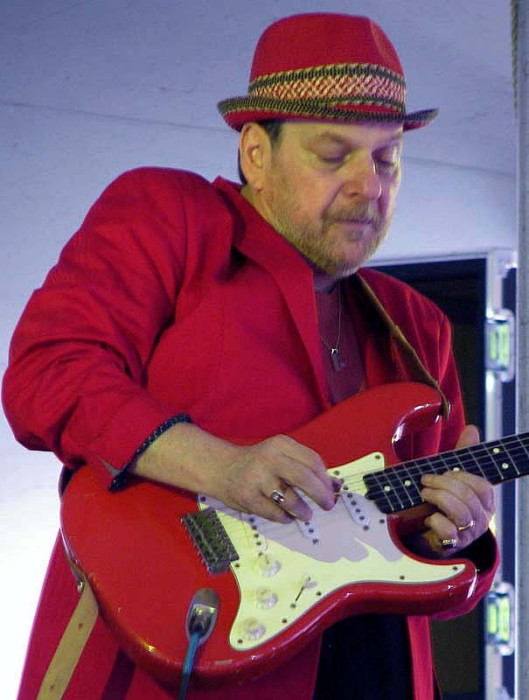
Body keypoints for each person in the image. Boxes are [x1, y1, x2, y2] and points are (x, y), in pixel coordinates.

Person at [3, 12, 498, 700]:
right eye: (334, 155)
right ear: (256, 154)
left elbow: (420, 558)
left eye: (386, 159)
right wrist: (221, 466)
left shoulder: (419, 327)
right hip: (177, 660)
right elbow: (47, 373)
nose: (369, 185)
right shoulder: (171, 216)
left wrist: (457, 531)